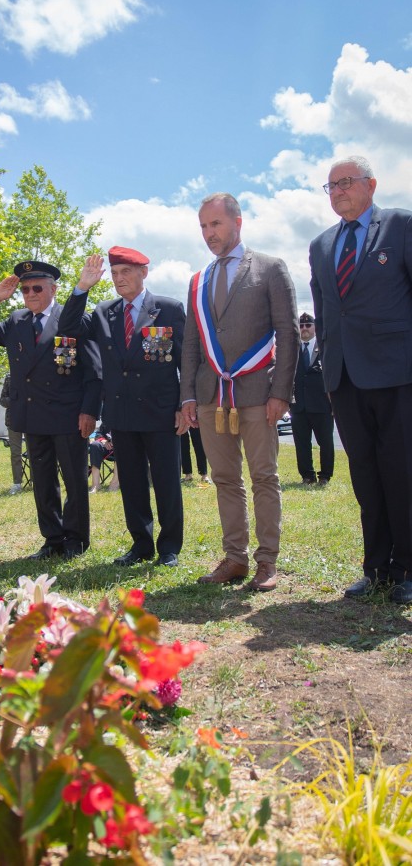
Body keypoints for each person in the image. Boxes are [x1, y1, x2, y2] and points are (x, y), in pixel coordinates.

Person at [180, 193, 299, 591]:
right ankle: (235, 559)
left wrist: (281, 391)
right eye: (202, 226)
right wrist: (188, 397)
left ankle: (267, 562)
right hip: (212, 395)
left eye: (215, 224)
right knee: (225, 478)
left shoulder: (270, 268)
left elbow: (289, 331)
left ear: (237, 222)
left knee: (264, 477)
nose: (208, 234)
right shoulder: (199, 281)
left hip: (258, 394)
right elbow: (192, 345)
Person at [310, 155, 412, 604]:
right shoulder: (320, 245)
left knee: (402, 472)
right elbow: (328, 313)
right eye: (330, 186)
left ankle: (408, 569)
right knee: (365, 475)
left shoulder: (401, 226)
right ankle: (377, 568)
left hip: (397, 373)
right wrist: (329, 372)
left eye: (345, 182)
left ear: (371, 184)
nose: (338, 192)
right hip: (345, 378)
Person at [59, 246, 185, 567]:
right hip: (122, 414)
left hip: (161, 412)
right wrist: (81, 288)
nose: (119, 279)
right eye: (114, 273)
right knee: (131, 484)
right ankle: (141, 545)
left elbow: (186, 360)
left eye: (126, 272)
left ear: (144, 272)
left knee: (167, 482)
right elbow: (69, 327)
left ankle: (169, 547)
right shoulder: (105, 312)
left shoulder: (168, 309)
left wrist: (186, 403)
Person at [0, 260, 102, 559]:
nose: (29, 293)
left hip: (68, 415)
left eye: (37, 288)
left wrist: (89, 411)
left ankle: (76, 540)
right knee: (43, 482)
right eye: (25, 289)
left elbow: (94, 371)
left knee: (74, 480)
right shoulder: (16, 321)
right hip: (32, 415)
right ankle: (52, 539)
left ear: (53, 289)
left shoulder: (71, 317)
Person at [289, 312, 334, 486]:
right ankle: (307, 475)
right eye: (301, 326)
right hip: (299, 405)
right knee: (302, 444)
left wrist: (334, 402)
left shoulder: (324, 349)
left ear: (315, 327)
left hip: (322, 405)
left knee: (326, 443)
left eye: (308, 325)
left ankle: (325, 476)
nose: (304, 329)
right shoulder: (293, 351)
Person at [0, 373, 24, 494]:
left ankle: (37, 481)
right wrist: (14, 400)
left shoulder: (33, 373)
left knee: (35, 451)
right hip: (13, 420)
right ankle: (17, 483)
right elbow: (2, 400)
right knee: (15, 453)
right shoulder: (9, 377)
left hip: (32, 419)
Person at [89, 423, 119, 493]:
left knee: (121, 446)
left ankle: (115, 483)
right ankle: (95, 485)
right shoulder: (108, 419)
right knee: (95, 445)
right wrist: (104, 441)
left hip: (122, 449)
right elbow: (98, 434)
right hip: (107, 447)